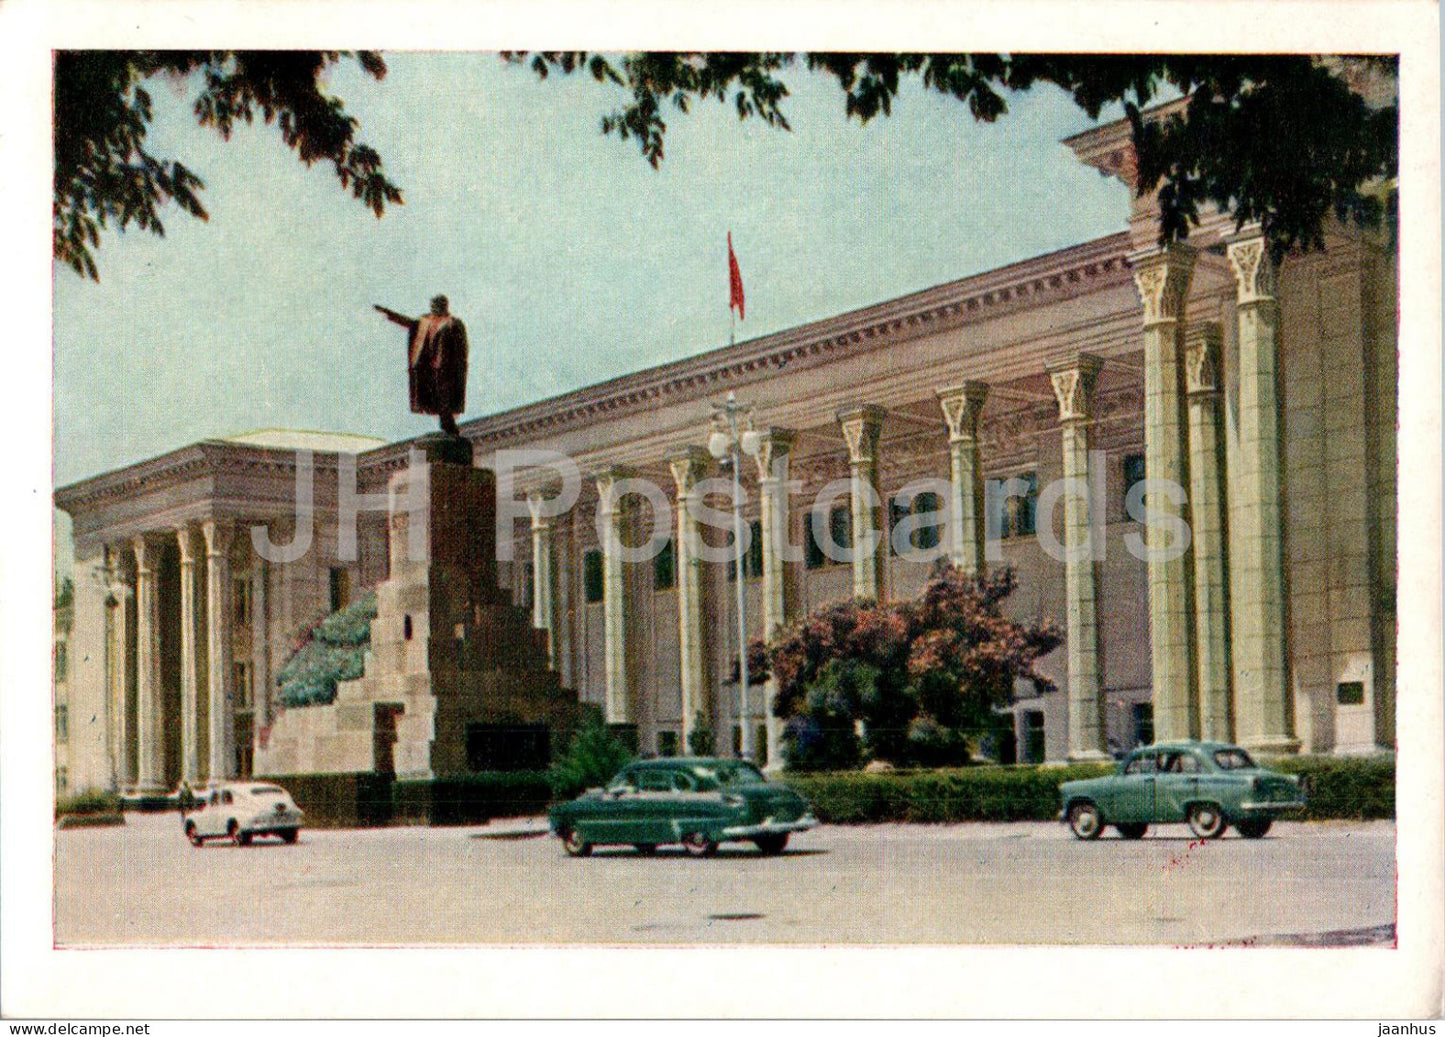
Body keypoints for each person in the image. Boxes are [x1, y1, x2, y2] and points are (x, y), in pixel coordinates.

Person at [374, 295, 469, 437]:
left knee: (446, 400)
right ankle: (448, 426)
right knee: (436, 399)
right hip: (430, 370)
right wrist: (390, 314)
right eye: (432, 306)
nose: (433, 309)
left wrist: (459, 368)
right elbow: (409, 323)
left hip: (448, 370)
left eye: (436, 306)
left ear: (444, 306)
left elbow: (463, 348)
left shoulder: (454, 324)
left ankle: (449, 426)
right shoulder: (425, 322)